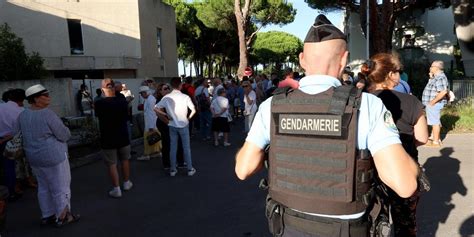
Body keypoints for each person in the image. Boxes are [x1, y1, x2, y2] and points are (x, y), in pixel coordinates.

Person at [235, 15, 419, 236]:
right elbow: (405, 184)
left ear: (302, 60)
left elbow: (243, 169)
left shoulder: (272, 105)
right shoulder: (366, 105)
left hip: (287, 226)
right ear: (344, 60)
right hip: (347, 230)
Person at [367, 53, 429, 236]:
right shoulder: (411, 102)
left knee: (376, 222)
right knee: (406, 223)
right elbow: (423, 138)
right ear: (391, 75)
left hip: (372, 171)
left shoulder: (362, 101)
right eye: (398, 72)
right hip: (405, 167)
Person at [17, 84, 80, 227]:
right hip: (54, 157)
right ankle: (63, 216)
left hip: (34, 158)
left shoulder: (23, 115)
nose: (48, 97)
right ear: (36, 99)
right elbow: (64, 135)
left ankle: (47, 215)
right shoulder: (47, 114)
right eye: (45, 95)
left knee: (43, 187)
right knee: (61, 186)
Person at [94, 79, 133, 198]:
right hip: (123, 135)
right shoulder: (122, 101)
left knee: (112, 164)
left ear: (102, 90)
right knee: (125, 160)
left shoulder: (99, 103)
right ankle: (126, 183)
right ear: (114, 88)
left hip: (108, 137)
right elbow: (127, 115)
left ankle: (117, 189)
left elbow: (98, 115)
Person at [155, 77, 196, 177]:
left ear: (171, 85)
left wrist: (166, 117)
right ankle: (190, 169)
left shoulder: (166, 98)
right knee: (186, 148)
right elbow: (193, 110)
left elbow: (155, 108)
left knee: (173, 147)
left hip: (172, 125)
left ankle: (173, 170)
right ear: (180, 85)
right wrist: (188, 118)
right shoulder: (185, 97)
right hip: (183, 125)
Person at [0, 89, 26, 201]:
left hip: (1, 139)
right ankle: (11, 192)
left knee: (4, 167)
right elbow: (18, 131)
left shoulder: (1, 107)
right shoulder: (21, 112)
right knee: (9, 167)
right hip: (10, 141)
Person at [422, 60, 449, 148]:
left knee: (435, 122)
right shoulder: (436, 77)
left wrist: (432, 102)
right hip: (432, 104)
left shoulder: (440, 77)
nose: (430, 68)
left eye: (432, 66)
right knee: (434, 121)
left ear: (437, 68)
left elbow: (443, 92)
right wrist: (431, 77)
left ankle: (436, 142)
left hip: (434, 104)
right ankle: (435, 137)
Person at [137, 86, 161, 160]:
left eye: (141, 93)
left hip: (150, 125)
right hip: (152, 124)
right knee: (155, 140)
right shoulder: (150, 99)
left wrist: (151, 126)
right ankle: (156, 153)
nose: (141, 95)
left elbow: (151, 114)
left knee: (148, 140)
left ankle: (146, 155)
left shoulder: (149, 100)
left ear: (145, 93)